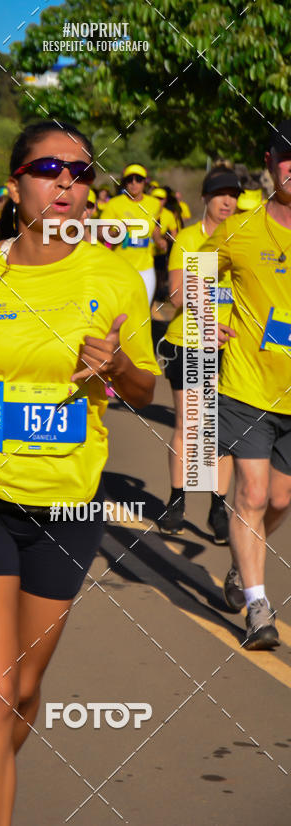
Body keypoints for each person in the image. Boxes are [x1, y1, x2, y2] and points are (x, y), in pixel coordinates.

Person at [0, 120, 160, 824]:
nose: (67, 183)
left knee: (21, 690)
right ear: (16, 184)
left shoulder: (113, 278)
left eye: (81, 172)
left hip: (70, 504)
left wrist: (120, 369)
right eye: (50, 169)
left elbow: (145, 392)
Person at [201, 122, 291, 651]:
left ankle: (241, 563)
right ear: (271, 161)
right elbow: (195, 272)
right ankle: (258, 603)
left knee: (280, 496)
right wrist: (209, 316)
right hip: (247, 383)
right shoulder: (244, 227)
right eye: (288, 157)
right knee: (252, 493)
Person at [156, 166, 241, 540]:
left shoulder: (242, 238)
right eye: (220, 193)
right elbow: (175, 295)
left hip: (233, 347)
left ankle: (218, 508)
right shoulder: (190, 240)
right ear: (205, 197)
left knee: (222, 432)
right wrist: (208, 320)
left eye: (234, 195)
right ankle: (177, 501)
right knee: (192, 426)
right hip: (189, 341)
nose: (228, 201)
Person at [100, 163, 167, 304]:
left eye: (139, 179)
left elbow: (155, 227)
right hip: (120, 266)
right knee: (119, 309)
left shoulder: (154, 204)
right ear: (124, 183)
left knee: (143, 310)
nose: (134, 183)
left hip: (145, 268)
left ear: (145, 183)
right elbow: (100, 233)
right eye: (130, 180)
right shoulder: (114, 204)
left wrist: (159, 239)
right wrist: (116, 232)